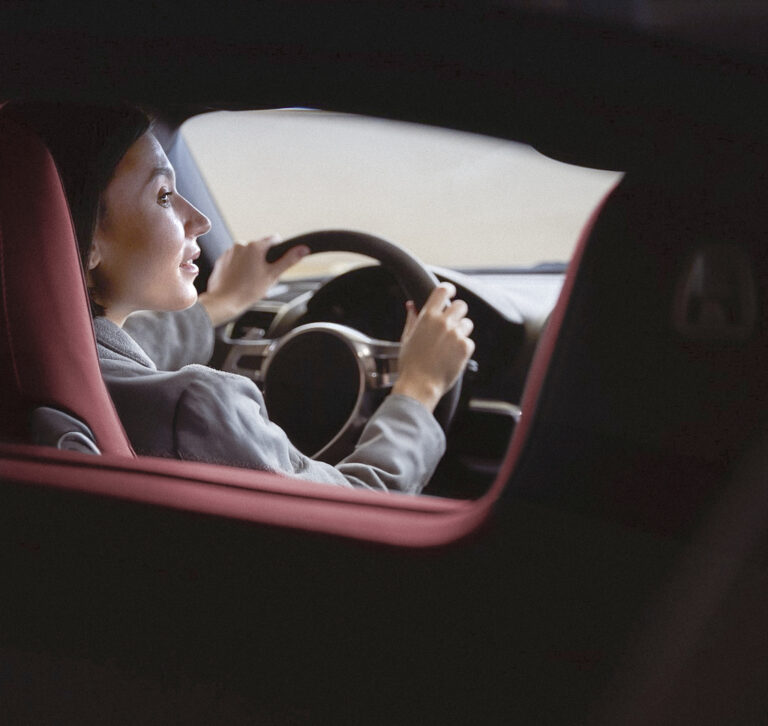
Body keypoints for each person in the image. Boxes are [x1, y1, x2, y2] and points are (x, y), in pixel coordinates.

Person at [8, 103, 474, 494]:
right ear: (82, 239)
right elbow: (363, 505)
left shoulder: (29, 368)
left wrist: (221, 304)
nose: (200, 221)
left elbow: (106, 353)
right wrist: (419, 389)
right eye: (166, 196)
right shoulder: (195, 410)